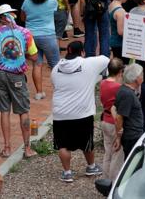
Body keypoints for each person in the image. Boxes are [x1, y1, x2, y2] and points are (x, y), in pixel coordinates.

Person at [51, 41, 108, 183]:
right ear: (82, 52)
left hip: (61, 113)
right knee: (87, 142)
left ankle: (67, 172)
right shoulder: (88, 63)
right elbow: (106, 59)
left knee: (63, 144)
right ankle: (91, 166)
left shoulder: (56, 68)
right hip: (83, 112)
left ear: (67, 52)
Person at [0, 5, 39, 159]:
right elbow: (35, 57)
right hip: (17, 75)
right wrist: (22, 56)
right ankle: (27, 148)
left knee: (4, 111)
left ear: (0, 18)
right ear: (8, 15)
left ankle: (7, 148)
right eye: (11, 12)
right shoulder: (25, 33)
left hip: (0, 74)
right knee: (23, 111)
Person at [22, 0, 60, 100]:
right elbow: (56, 14)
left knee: (37, 65)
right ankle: (59, 91)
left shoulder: (27, 0)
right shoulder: (52, 1)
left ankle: (39, 92)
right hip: (48, 35)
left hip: (31, 36)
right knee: (55, 65)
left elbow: (22, 18)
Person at [99, 58, 125, 180]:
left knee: (108, 152)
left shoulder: (103, 83)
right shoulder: (118, 87)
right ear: (120, 71)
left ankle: (105, 178)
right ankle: (113, 183)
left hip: (105, 119)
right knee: (117, 155)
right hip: (114, 122)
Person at [114, 63, 145, 157]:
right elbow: (119, 116)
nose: (143, 76)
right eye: (142, 74)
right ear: (136, 78)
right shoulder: (127, 94)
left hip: (133, 135)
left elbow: (113, 108)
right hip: (132, 137)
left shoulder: (125, 90)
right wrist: (118, 137)